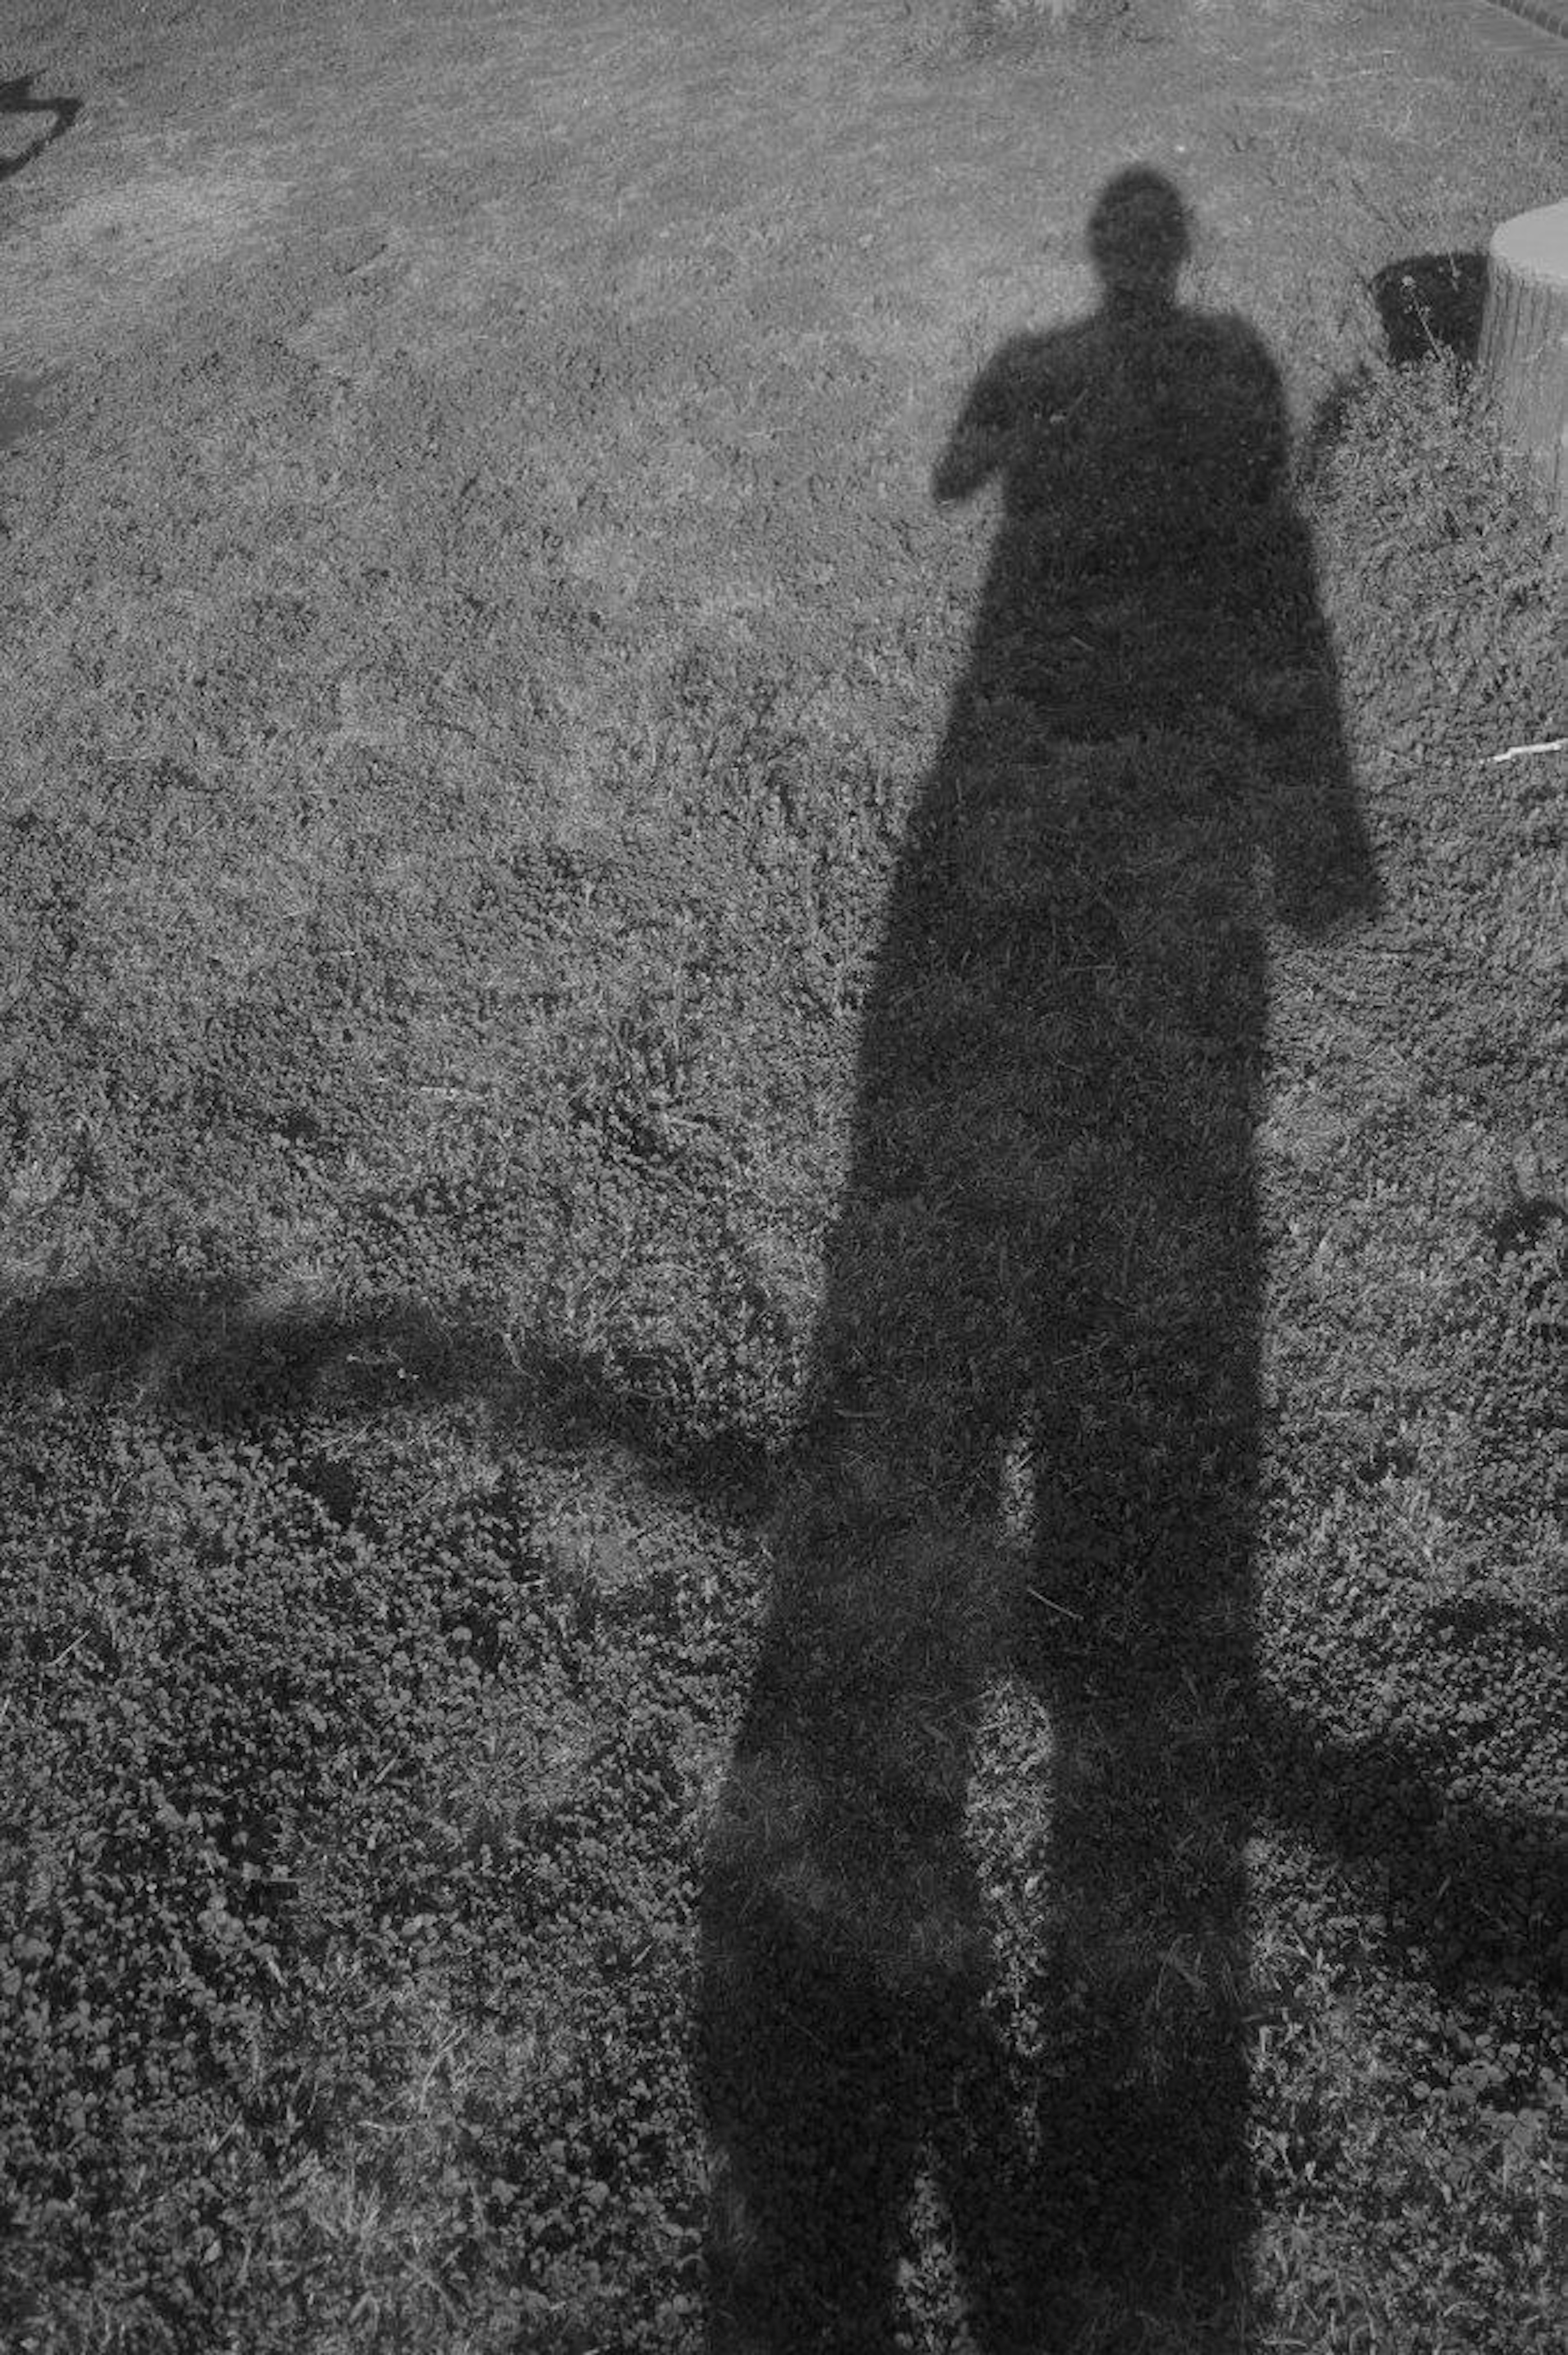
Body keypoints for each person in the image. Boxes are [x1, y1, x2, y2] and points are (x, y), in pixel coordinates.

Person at [698, 167, 1380, 2354]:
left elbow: (964, 464)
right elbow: (1190, 534)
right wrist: (1316, 837)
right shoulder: (1228, 370)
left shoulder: (1095, 375)